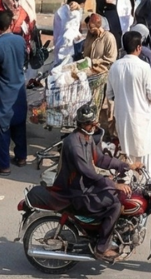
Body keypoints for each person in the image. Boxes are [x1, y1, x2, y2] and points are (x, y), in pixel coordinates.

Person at [57, 104, 138, 263]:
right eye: (90, 124)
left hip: (84, 186)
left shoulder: (86, 139)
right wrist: (114, 185)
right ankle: (101, 248)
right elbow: (88, 172)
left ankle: (106, 233)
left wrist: (127, 166)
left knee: (116, 194)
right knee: (115, 204)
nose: (95, 125)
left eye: (94, 122)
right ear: (82, 125)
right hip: (76, 192)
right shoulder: (74, 144)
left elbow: (100, 159)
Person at [109, 30, 151, 175]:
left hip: (122, 117)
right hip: (141, 118)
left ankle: (128, 185)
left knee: (127, 153)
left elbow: (110, 94)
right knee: (146, 155)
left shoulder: (115, 66)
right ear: (139, 48)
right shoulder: (143, 67)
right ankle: (147, 187)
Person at [0, 9, 30, 174]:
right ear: (11, 23)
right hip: (18, 90)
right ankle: (21, 157)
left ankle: (4, 166)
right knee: (19, 124)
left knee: (2, 130)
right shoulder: (20, 41)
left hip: (3, 93)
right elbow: (25, 61)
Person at [47, 0, 89, 75]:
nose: (83, 6)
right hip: (65, 46)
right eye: (82, 4)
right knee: (63, 70)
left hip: (63, 44)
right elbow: (69, 29)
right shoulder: (68, 14)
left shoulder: (68, 11)